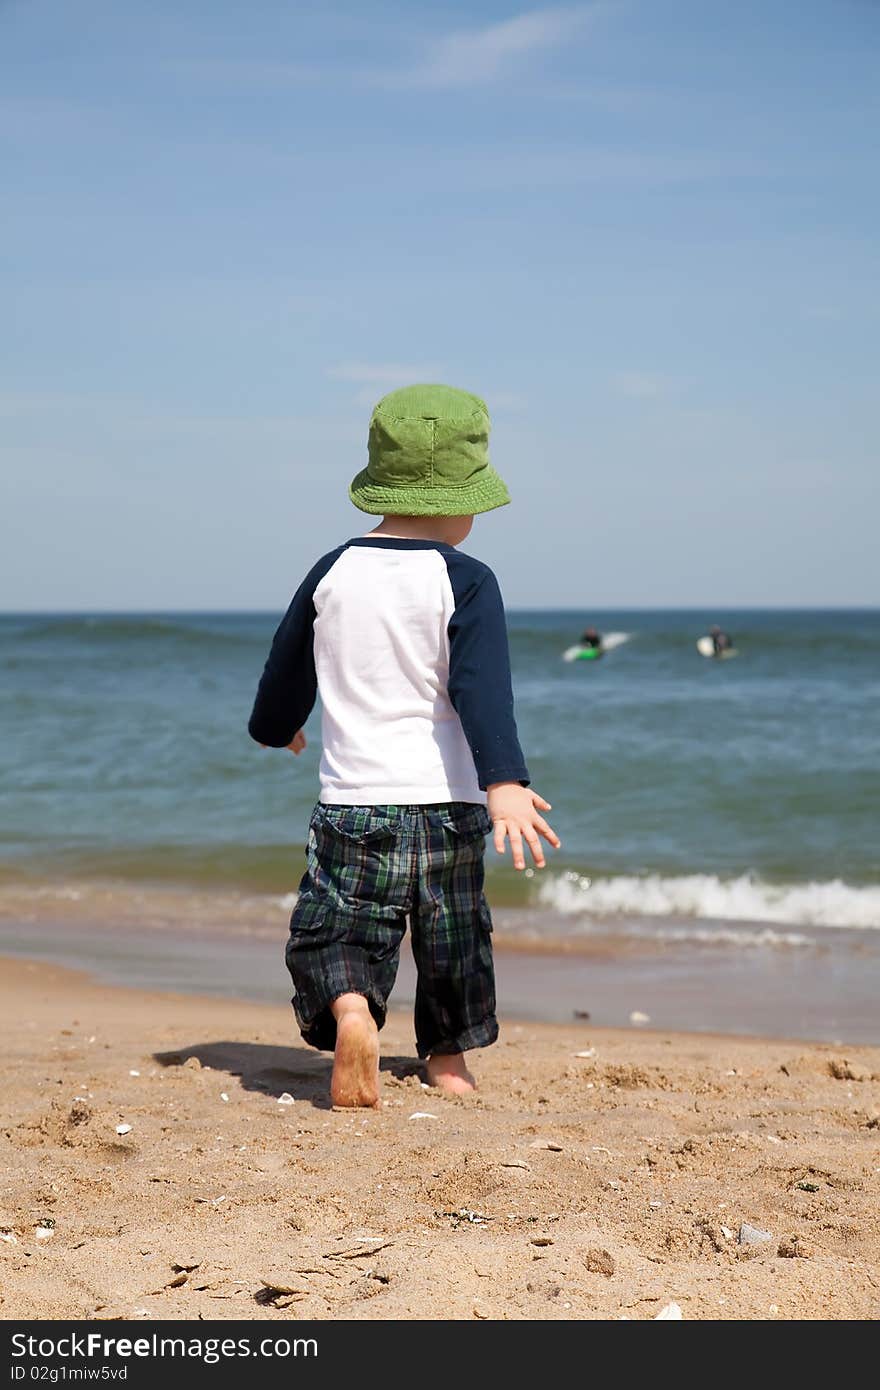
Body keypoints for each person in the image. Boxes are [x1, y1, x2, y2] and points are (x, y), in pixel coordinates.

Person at [248, 384, 559, 1109]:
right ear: (464, 501)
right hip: (448, 804)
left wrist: (275, 727)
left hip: (355, 804)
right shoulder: (468, 581)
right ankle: (448, 1064)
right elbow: (482, 691)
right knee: (452, 937)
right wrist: (503, 781)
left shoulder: (332, 571)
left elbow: (287, 666)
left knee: (341, 926)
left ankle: (352, 1008)